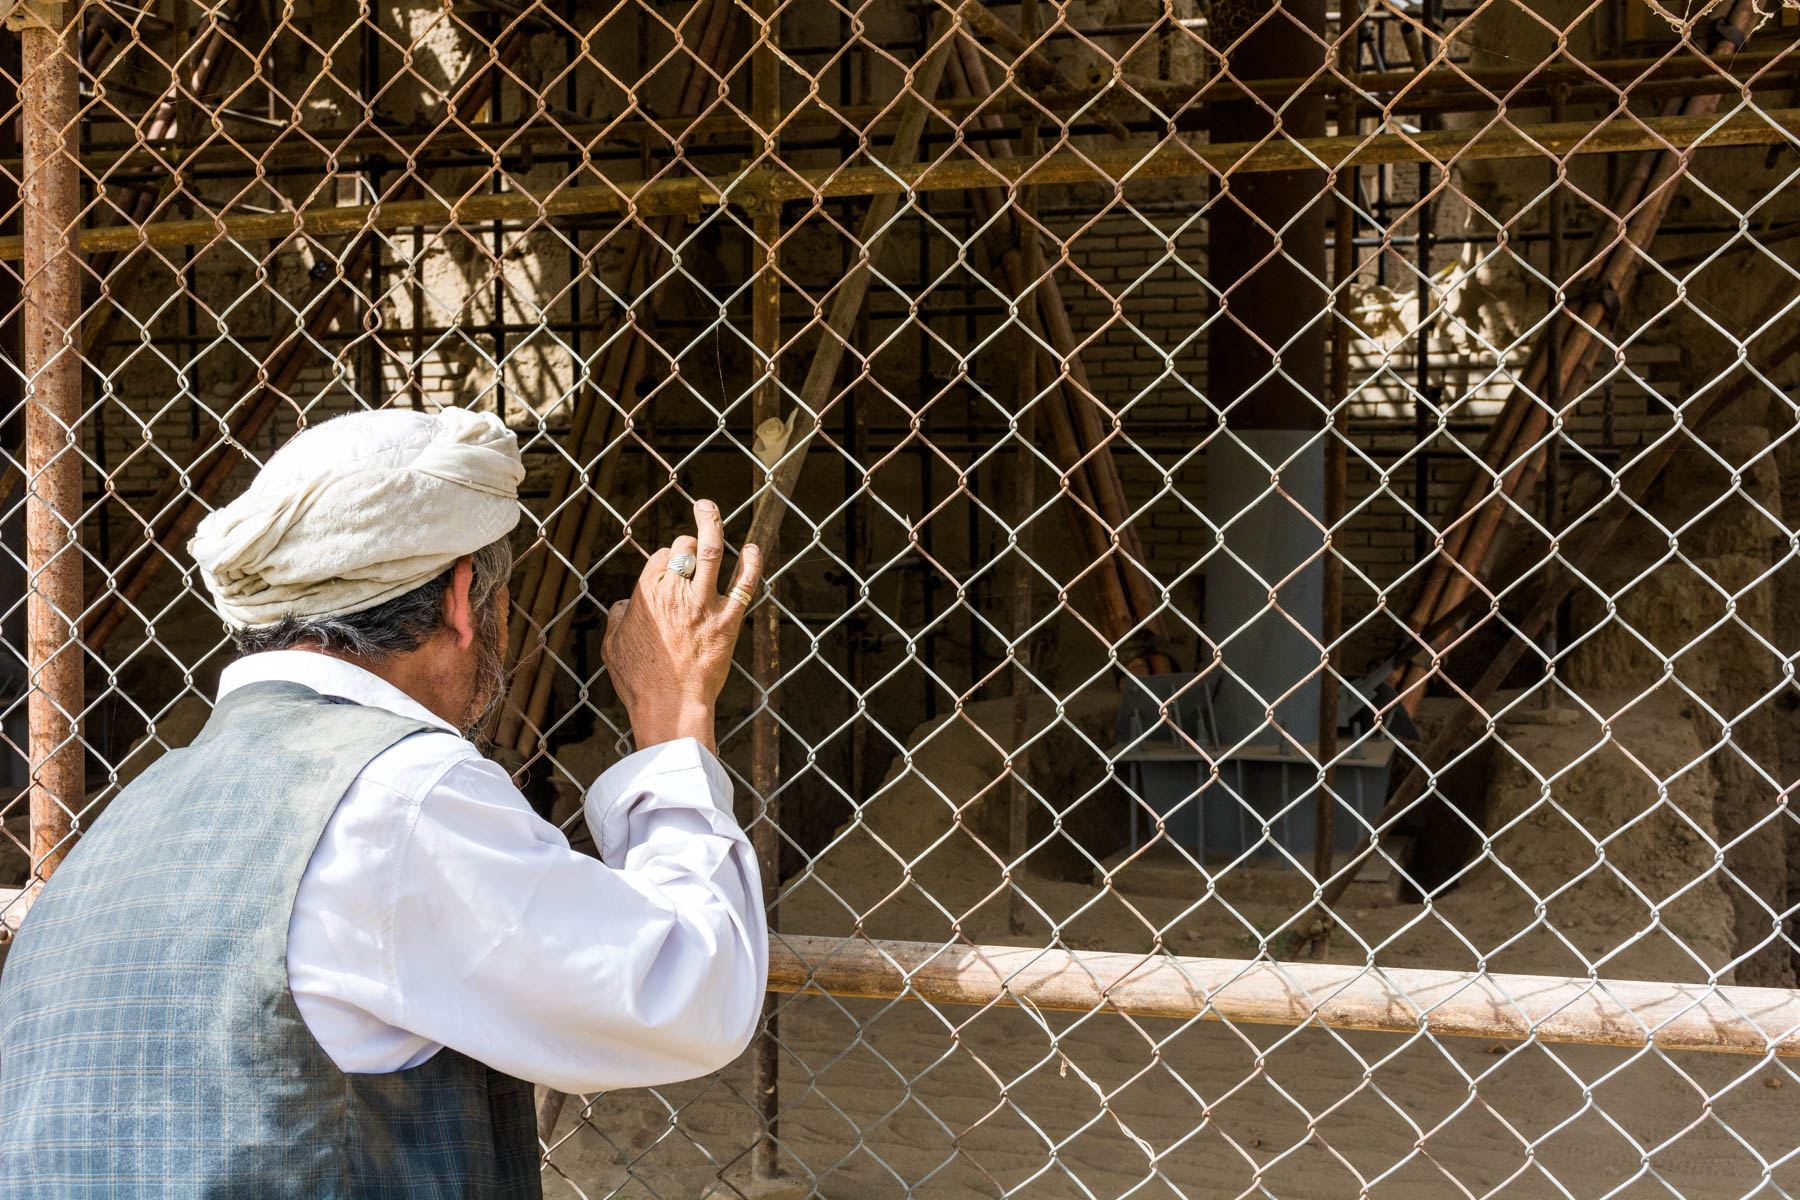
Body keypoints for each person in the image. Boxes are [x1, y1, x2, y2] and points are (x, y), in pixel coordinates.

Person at [0, 407, 766, 1198]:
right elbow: (690, 993)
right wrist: (673, 718)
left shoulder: (131, 814)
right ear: (465, 598)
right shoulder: (399, 795)